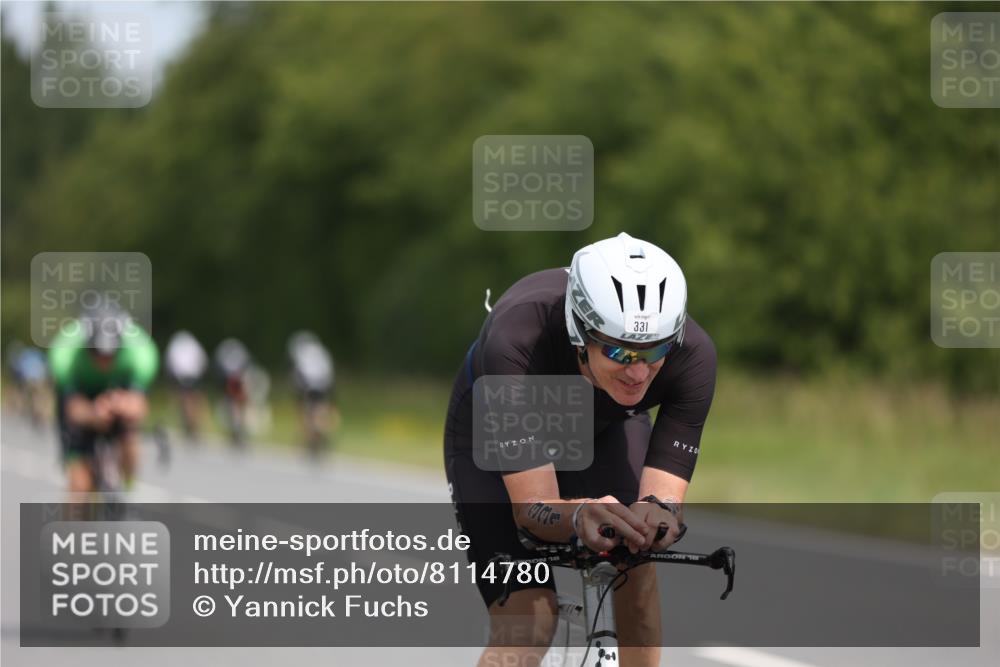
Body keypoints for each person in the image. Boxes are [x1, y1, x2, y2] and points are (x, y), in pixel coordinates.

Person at [444, 232, 717, 667]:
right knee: (528, 622)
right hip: (491, 437)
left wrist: (657, 515)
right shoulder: (516, 335)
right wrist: (578, 513)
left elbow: (665, 497)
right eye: (619, 351)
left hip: (604, 427)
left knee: (637, 564)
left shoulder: (693, 355)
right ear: (579, 332)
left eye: (655, 350)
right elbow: (532, 508)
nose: (639, 372)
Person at [48, 304, 159, 494]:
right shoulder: (64, 353)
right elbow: (72, 409)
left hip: (119, 389)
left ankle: (127, 483)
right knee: (80, 486)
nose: (103, 362)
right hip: (82, 394)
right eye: (96, 354)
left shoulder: (142, 352)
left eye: (110, 355)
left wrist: (124, 406)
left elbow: (140, 406)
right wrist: (93, 414)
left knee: (131, 432)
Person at [287, 330, 338, 455]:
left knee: (306, 410)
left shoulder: (301, 353)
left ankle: (311, 436)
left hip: (308, 384)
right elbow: (329, 373)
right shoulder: (322, 352)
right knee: (321, 408)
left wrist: (298, 395)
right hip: (324, 383)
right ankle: (323, 430)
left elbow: (297, 377)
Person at [165, 330, 209, 439]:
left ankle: (191, 425)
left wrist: (173, 376)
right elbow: (202, 359)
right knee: (195, 399)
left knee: (185, 400)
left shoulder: (176, 344)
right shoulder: (192, 343)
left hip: (182, 375)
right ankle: (195, 425)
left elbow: (170, 361)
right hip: (194, 374)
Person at [214, 337, 251, 446]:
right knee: (236, 404)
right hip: (235, 379)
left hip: (234, 379)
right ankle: (238, 430)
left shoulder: (228, 352)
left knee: (235, 404)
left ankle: (239, 430)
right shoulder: (237, 352)